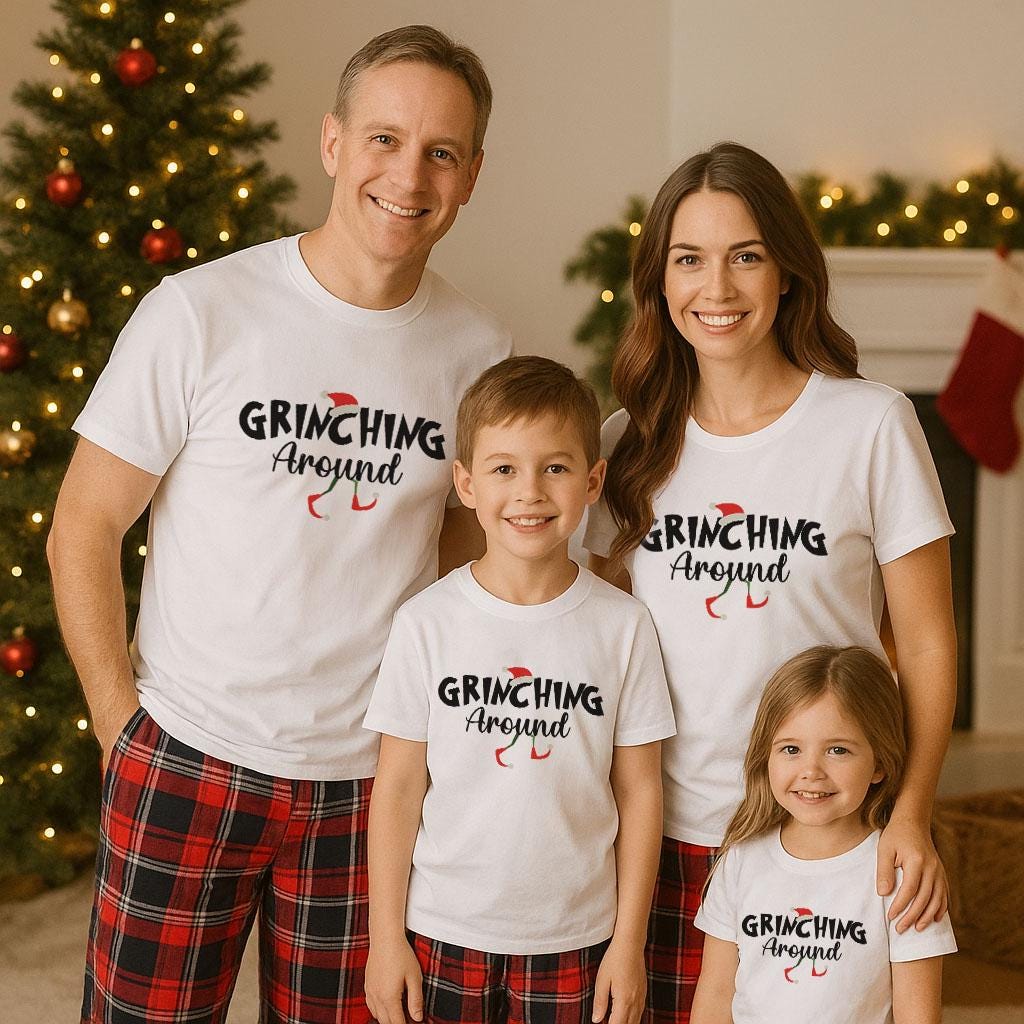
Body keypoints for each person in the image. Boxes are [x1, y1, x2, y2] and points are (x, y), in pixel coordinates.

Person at [47, 25, 511, 1024]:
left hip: (365, 786)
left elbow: (462, 565)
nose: (408, 174)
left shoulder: (478, 353)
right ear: (334, 143)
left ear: (471, 175)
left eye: (440, 151)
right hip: (184, 754)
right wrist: (118, 727)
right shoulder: (201, 312)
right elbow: (83, 523)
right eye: (385, 139)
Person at [584, 142, 957, 1022]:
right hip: (656, 840)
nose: (717, 287)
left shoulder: (870, 423)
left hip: (823, 839)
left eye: (745, 255)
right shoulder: (622, 445)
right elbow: (589, 637)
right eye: (689, 259)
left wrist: (910, 812)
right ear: (659, 282)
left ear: (787, 271)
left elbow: (931, 639)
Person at [362, 356, 676, 1024]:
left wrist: (629, 941)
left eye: (555, 468)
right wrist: (384, 939)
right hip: (443, 932)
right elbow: (396, 786)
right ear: (467, 484)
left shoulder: (623, 628)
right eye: (504, 469)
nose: (529, 491)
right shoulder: (426, 623)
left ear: (593, 482)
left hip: (579, 940)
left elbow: (641, 790)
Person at [690, 645, 956, 1023]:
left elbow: (919, 1013)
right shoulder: (740, 859)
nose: (811, 770)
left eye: (837, 750)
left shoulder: (900, 872)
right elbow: (715, 996)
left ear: (880, 762)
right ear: (766, 757)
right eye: (791, 749)